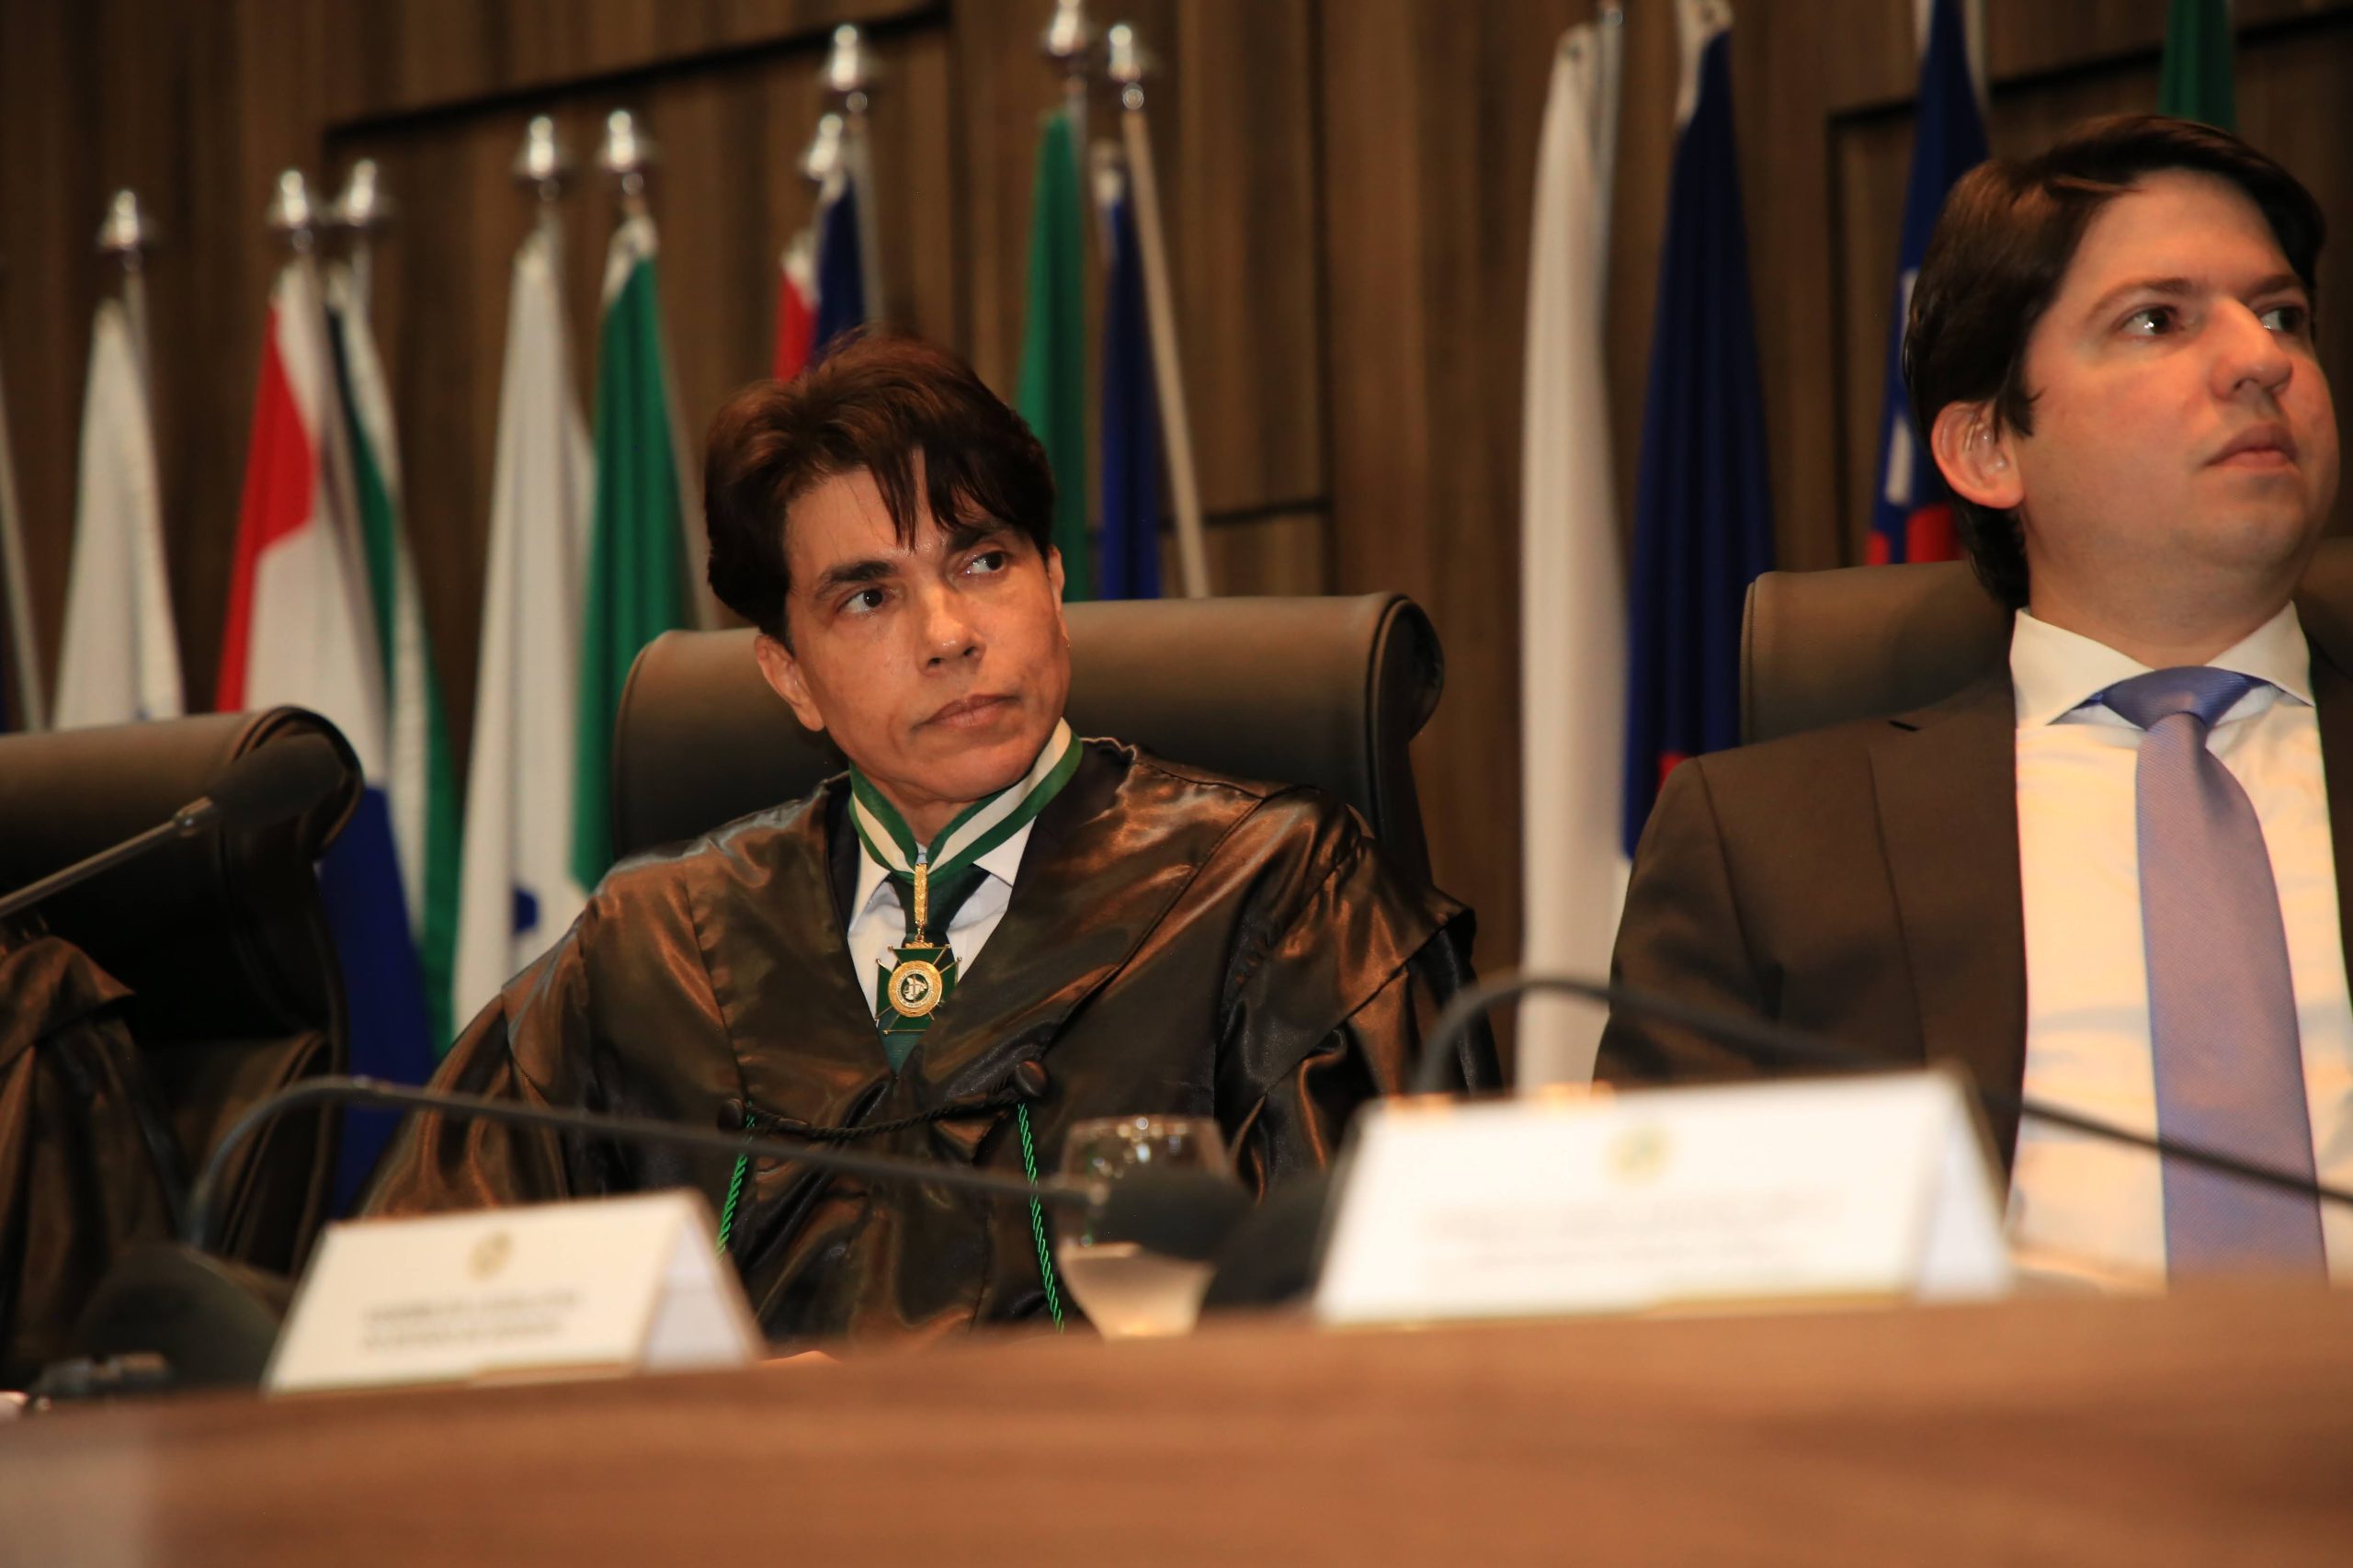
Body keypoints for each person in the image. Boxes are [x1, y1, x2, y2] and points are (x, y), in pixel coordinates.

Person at [366, 332, 1492, 1343]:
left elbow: (1393, 1324)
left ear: (1054, 583)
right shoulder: (651, 948)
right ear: (788, 675)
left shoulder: (1278, 891)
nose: (949, 633)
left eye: (982, 562)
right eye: (869, 597)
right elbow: (421, 1314)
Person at [1599, 115, 2352, 1289]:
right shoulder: (1766, 847)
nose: (2259, 358)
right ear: (1987, 447)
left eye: (2282, 314)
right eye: (2156, 320)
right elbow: (1658, 1288)